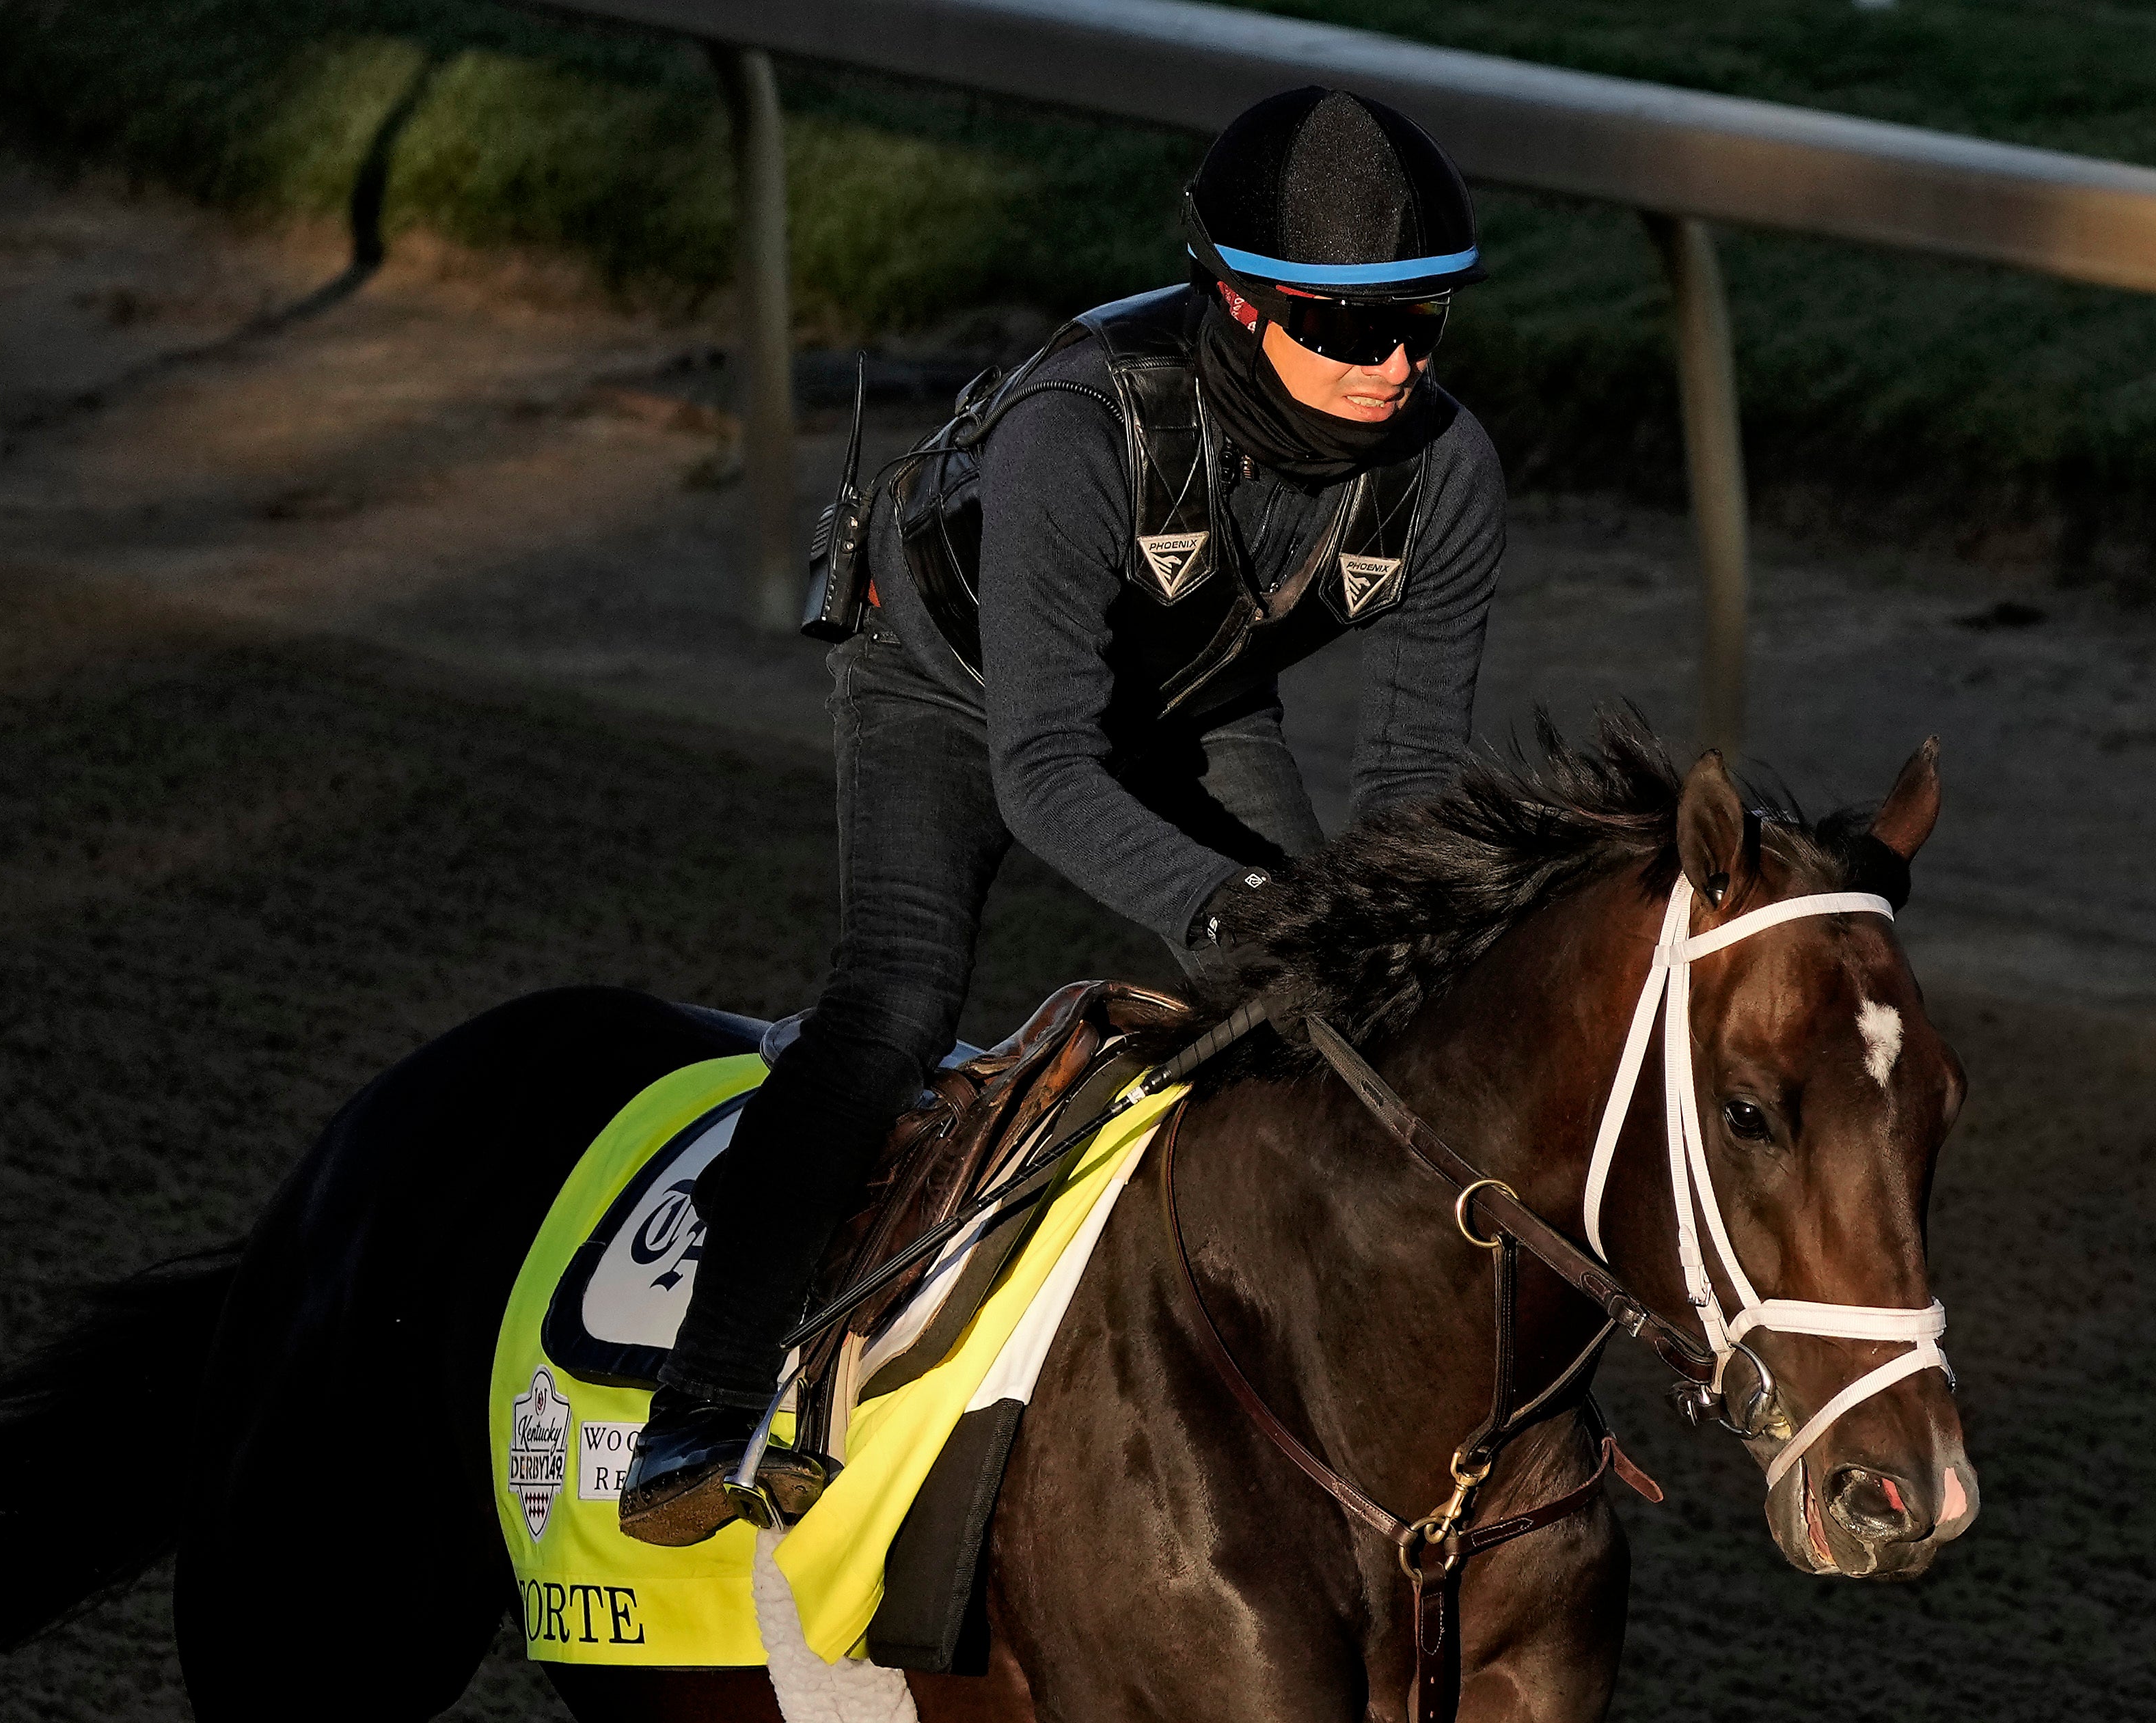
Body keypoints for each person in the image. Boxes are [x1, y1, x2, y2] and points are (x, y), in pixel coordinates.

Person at [620, 83, 1507, 1544]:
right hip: (952, 693)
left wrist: (1369, 934)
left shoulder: (1450, 471)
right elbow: (1042, 768)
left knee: (1345, 1007)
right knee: (897, 1000)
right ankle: (697, 1411)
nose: (1394, 365)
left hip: (1194, 698)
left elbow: (1408, 786)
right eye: (1350, 329)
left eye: (1425, 322)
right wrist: (1226, 910)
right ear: (1233, 303)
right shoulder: (1075, 423)